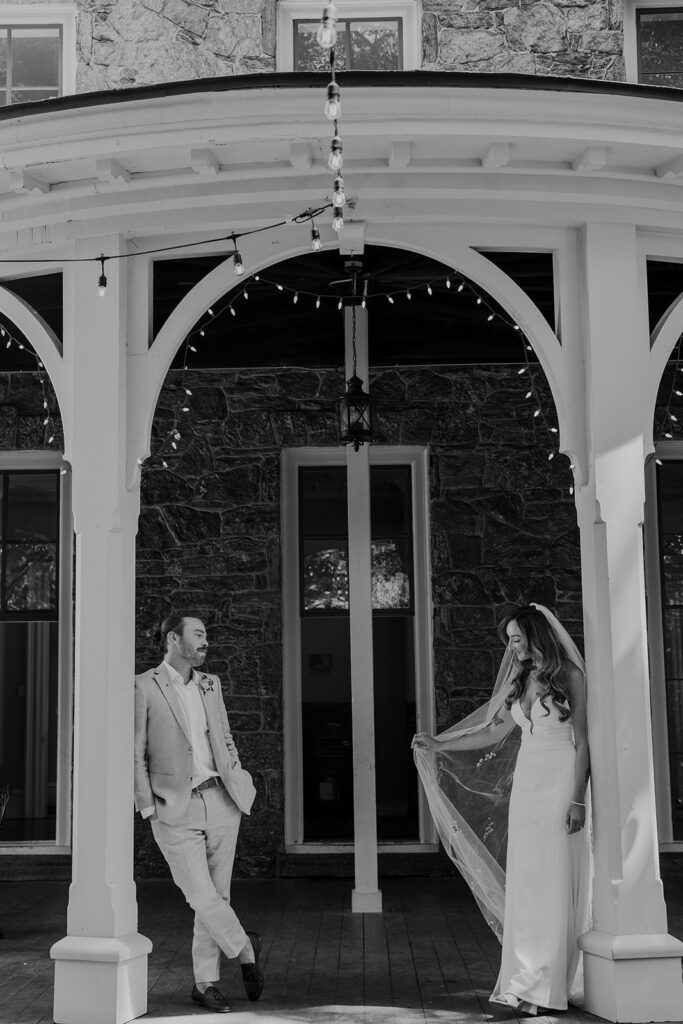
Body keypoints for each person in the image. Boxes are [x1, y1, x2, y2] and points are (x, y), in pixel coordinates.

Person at [413, 603, 591, 1015]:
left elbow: (583, 742)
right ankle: (521, 981)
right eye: (509, 639)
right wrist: (440, 745)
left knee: (551, 883)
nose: (511, 646)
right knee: (527, 884)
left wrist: (578, 798)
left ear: (535, 636)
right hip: (528, 788)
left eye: (516, 638)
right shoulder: (522, 677)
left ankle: (543, 988)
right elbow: (494, 729)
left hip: (560, 783)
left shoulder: (570, 676)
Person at [134, 612, 264, 1014]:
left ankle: (205, 983)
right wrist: (148, 807)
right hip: (175, 806)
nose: (206, 642)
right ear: (173, 639)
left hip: (222, 800)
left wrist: (236, 773)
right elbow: (134, 752)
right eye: (199, 635)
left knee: (218, 895)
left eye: (207, 635)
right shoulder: (143, 686)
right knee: (201, 895)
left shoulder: (211, 683)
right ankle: (245, 947)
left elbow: (223, 734)